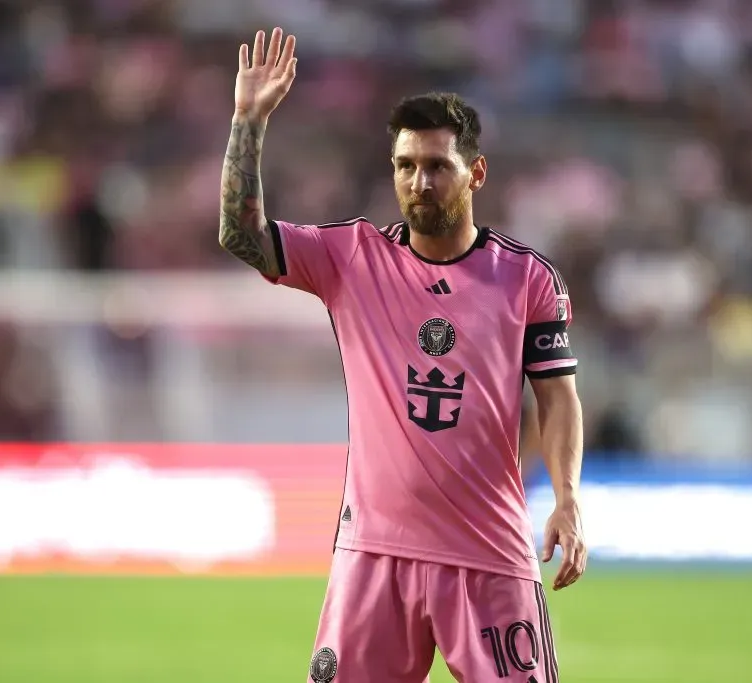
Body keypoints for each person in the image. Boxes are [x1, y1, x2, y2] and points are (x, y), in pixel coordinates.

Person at [219, 28, 587, 683]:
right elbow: (241, 235)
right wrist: (248, 122)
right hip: (374, 553)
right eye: (406, 165)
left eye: (438, 166)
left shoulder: (528, 279)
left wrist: (566, 499)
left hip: (489, 552)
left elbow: (556, 395)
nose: (420, 181)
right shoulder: (351, 257)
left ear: (475, 172)